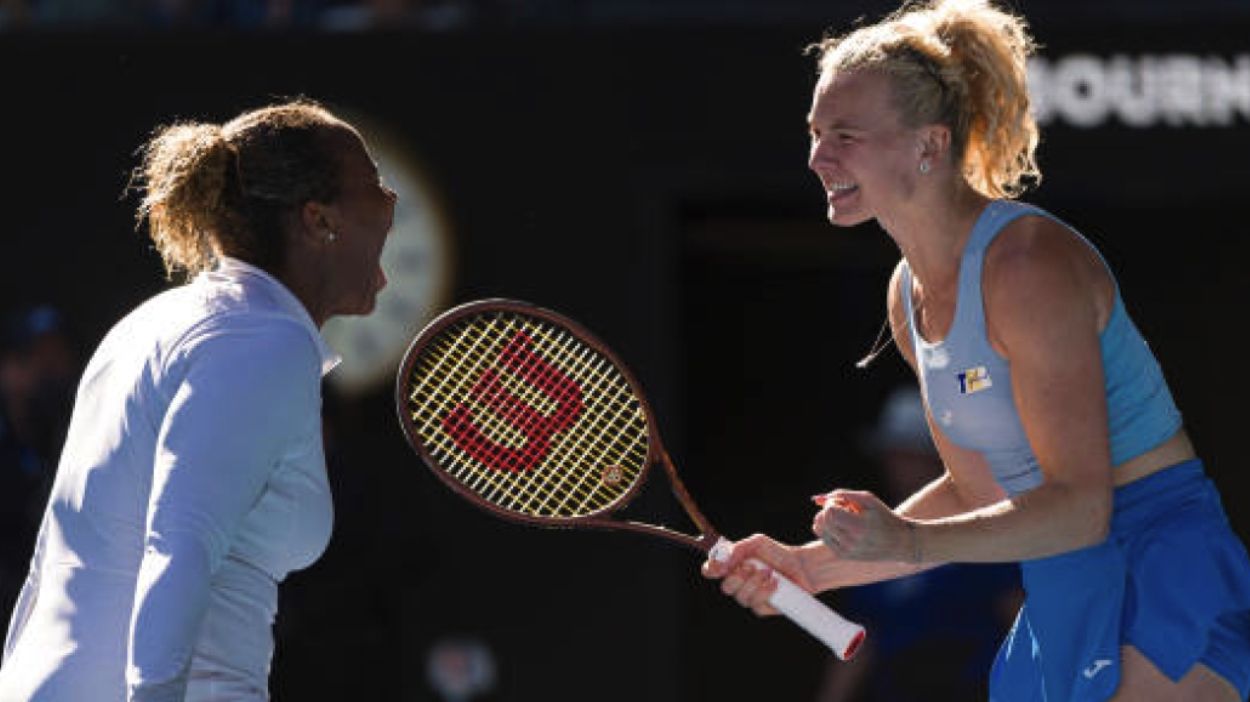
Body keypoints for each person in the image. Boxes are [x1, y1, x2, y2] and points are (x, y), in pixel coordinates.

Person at [701, 1, 1250, 700]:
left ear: (928, 145)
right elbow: (979, 491)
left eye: (844, 134)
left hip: (1158, 559)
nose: (817, 157)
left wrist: (906, 541)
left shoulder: (1026, 265)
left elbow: (1084, 507)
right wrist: (813, 569)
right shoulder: (909, 296)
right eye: (814, 133)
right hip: (1060, 574)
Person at [0, 99, 397, 701]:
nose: (390, 199)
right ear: (318, 220)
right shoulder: (266, 339)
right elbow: (178, 546)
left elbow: (47, 568)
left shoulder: (152, 323)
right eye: (372, 183)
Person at [813, 386, 1020, 702]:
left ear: (937, 457)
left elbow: (1015, 612)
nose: (899, 464)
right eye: (894, 453)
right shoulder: (866, 534)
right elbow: (861, 637)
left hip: (974, 689)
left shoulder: (980, 527)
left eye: (911, 453)